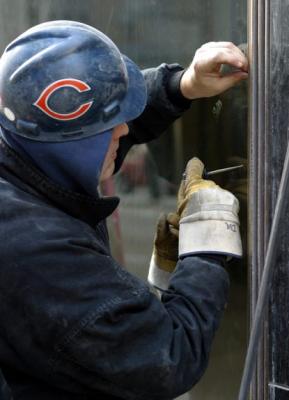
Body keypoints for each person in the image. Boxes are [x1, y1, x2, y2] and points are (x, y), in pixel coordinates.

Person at [0, 20, 248, 400]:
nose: (124, 131)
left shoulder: (25, 149)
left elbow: (91, 122)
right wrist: (207, 241)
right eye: (110, 126)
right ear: (66, 144)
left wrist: (181, 86)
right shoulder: (36, 252)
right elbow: (168, 357)